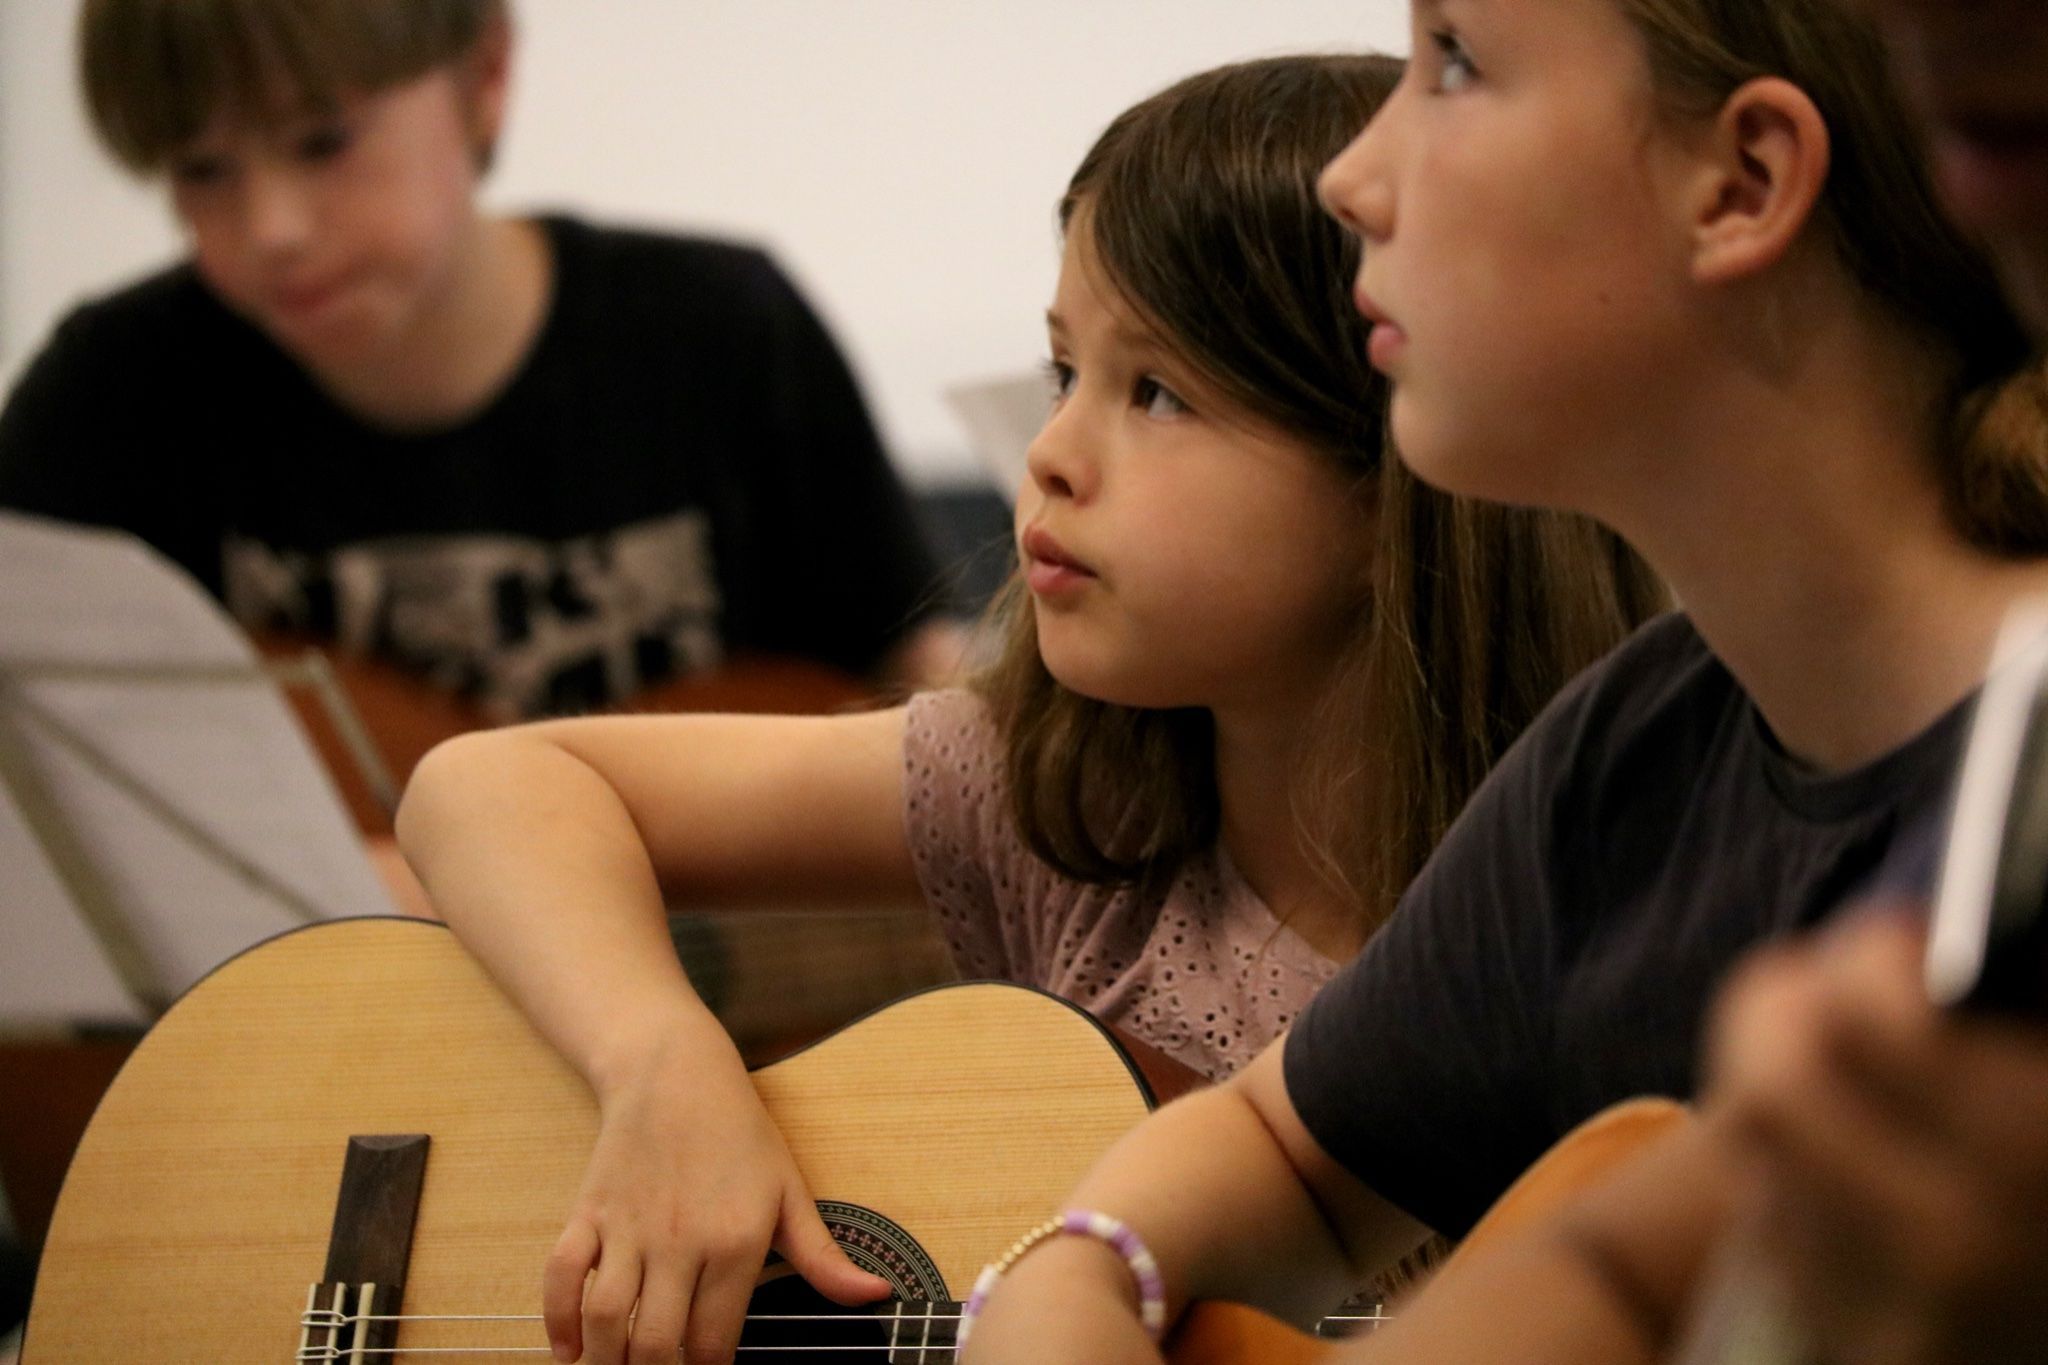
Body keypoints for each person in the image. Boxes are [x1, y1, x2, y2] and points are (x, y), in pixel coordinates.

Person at [394, 53, 1663, 1365]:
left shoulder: (1590, 920)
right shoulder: (1054, 787)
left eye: (1157, 393)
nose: (1051, 451)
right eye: (1067, 372)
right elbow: (486, 785)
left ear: (1398, 485)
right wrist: (659, 1065)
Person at [954, 1, 2048, 1361]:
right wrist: (1079, 1273)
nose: (1353, 179)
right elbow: (1295, 1151)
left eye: (1457, 63)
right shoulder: (1640, 745)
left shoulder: (2012, 794)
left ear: (1745, 183)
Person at [0, 0, 960, 720]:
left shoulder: (726, 331)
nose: (272, 229)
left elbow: (915, 687)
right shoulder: (111, 394)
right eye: (201, 170)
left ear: (484, 76)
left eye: (323, 139)